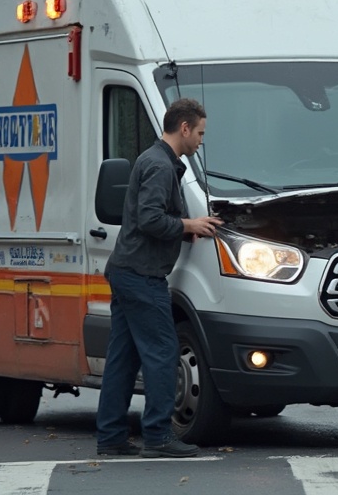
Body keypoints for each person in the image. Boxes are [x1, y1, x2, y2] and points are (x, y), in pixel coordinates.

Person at [96, 98, 223, 459]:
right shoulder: (160, 166)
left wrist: (184, 230)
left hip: (126, 271)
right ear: (184, 128)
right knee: (164, 353)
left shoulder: (154, 160)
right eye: (199, 133)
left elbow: (143, 218)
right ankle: (158, 435)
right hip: (142, 274)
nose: (201, 140)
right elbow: (149, 218)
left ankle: (111, 436)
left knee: (123, 358)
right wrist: (188, 224)